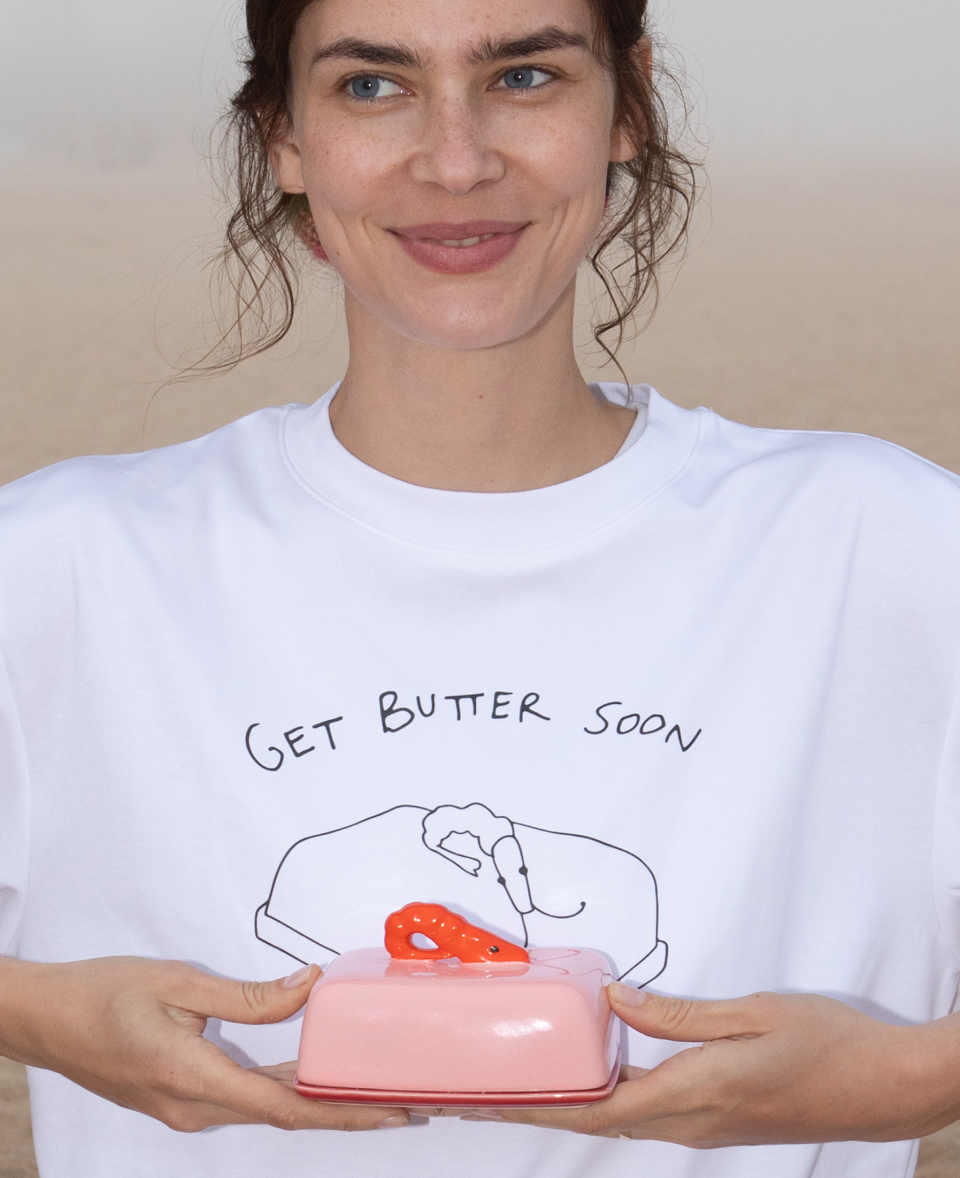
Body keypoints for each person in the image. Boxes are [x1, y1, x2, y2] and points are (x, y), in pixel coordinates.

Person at [1, 0, 959, 1175]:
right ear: (283, 137)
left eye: (523, 76)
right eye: (372, 86)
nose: (455, 161)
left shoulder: (892, 545)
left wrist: (913, 1076)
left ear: (628, 107)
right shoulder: (62, 563)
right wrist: (32, 1011)